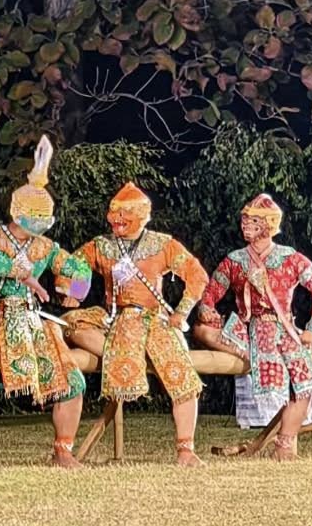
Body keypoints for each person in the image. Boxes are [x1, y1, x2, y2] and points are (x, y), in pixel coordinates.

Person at [0, 134, 91, 469]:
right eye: (36, 217)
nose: (41, 224)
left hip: (30, 324)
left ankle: (63, 450)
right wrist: (22, 274)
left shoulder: (45, 247)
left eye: (44, 218)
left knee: (73, 381)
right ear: (18, 211)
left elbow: (79, 268)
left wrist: (74, 289)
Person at [61, 183, 209, 466]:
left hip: (154, 321)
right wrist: (74, 292)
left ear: (141, 216)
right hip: (115, 319)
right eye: (113, 215)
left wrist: (182, 312)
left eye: (123, 216)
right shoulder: (102, 245)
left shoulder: (162, 244)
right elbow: (75, 265)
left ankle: (186, 450)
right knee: (72, 324)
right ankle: (128, 355)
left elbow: (197, 275)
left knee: (181, 375)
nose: (116, 221)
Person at [194, 194, 312, 459]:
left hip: (284, 330)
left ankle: (285, 445)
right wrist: (206, 308)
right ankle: (247, 354)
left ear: (269, 224)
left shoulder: (290, 258)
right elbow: (211, 292)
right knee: (202, 329)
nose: (245, 225)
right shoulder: (235, 260)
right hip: (248, 330)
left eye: (253, 221)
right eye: (244, 219)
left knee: (304, 382)